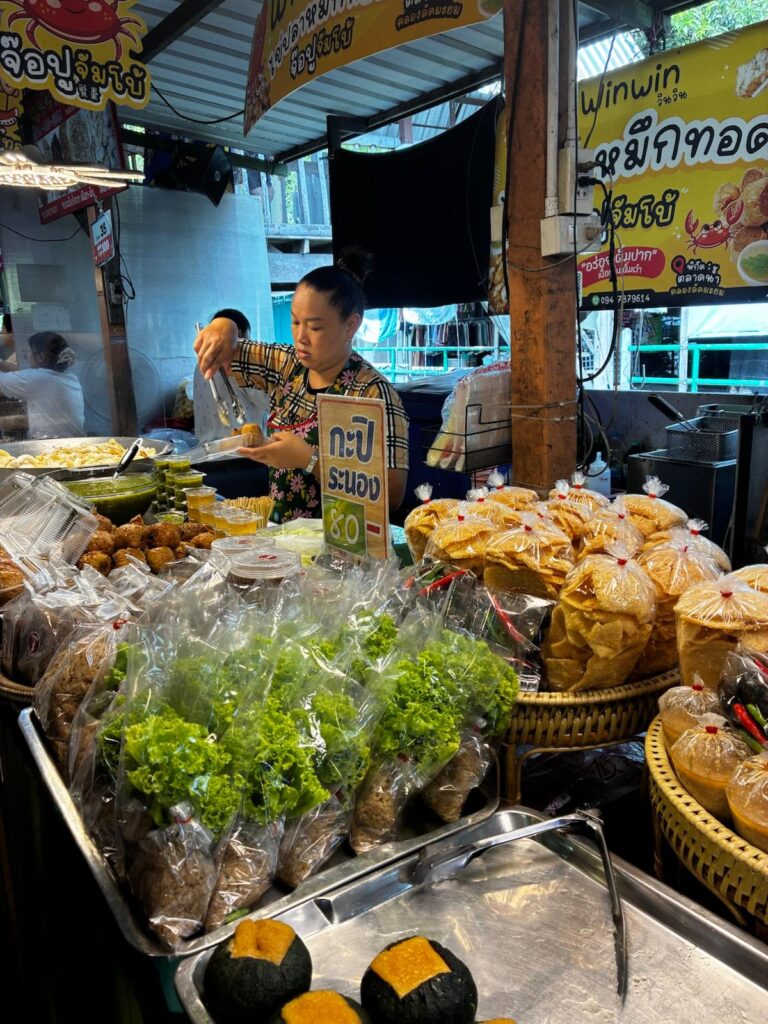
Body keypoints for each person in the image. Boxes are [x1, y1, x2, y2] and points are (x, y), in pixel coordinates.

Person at [194, 252, 409, 522]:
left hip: (346, 551)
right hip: (285, 539)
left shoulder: (373, 394)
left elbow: (393, 494)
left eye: (315, 328)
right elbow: (232, 347)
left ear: (350, 326)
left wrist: (309, 459)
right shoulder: (288, 364)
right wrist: (223, 326)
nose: (300, 337)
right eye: (295, 322)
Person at [192, 308, 269, 444]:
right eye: (247, 337)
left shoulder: (200, 365)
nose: (248, 343)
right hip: (240, 450)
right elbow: (267, 403)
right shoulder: (242, 362)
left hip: (207, 450)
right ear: (237, 333)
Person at [0, 331, 85, 438]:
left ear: (40, 357)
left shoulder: (37, 379)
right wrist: (2, 364)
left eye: (30, 351)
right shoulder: (69, 376)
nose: (27, 355)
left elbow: (5, 380)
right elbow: (28, 373)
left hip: (51, 444)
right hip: (74, 441)